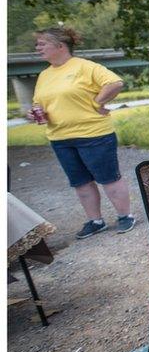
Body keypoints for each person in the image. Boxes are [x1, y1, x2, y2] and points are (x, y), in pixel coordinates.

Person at [29, 27, 135, 239]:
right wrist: (35, 113)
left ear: (60, 46)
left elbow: (115, 82)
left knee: (109, 178)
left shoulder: (84, 67)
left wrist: (98, 102)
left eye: (42, 43)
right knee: (80, 182)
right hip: (60, 138)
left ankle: (125, 216)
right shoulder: (44, 75)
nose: (37, 48)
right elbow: (38, 103)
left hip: (93, 134)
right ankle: (95, 221)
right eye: (37, 44)